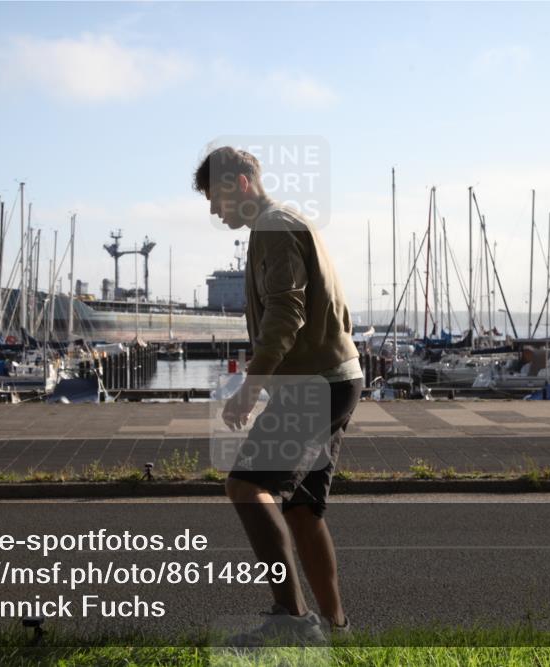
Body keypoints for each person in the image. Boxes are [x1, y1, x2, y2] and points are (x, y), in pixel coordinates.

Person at [192, 146, 363, 645]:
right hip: (334, 377)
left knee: (245, 486)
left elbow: (286, 314)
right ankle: (336, 630)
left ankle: (292, 622)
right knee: (301, 509)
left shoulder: (273, 227)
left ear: (240, 184)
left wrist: (252, 385)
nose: (213, 210)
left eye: (215, 197)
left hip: (317, 384)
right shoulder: (282, 224)